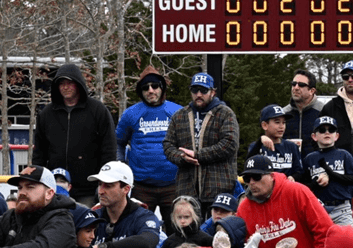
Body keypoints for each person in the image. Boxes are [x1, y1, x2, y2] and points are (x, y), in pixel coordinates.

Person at [235, 155, 333, 248]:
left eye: (256, 176)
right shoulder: (244, 208)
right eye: (247, 179)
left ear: (271, 176)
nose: (252, 183)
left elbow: (325, 231)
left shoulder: (296, 191)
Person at [32, 63, 117, 207]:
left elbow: (108, 150)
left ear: (79, 84)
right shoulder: (46, 114)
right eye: (62, 83)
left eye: (70, 83)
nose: (65, 87)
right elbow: (39, 152)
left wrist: (103, 183)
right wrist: (38, 182)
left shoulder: (98, 111)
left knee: (87, 226)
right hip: (55, 188)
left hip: (88, 189)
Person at [115, 66, 182, 232]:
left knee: (178, 231)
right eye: (145, 88)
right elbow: (118, 142)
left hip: (173, 185)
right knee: (139, 229)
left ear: (162, 87)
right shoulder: (131, 113)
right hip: (141, 186)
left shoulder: (177, 112)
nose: (150, 91)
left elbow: (188, 143)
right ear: (140, 91)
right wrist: (121, 167)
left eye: (155, 86)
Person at [163, 72, 240, 212]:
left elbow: (229, 144)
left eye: (203, 90)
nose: (199, 94)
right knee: (188, 231)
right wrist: (181, 157)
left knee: (218, 229)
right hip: (187, 188)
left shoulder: (225, 113)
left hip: (219, 186)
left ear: (213, 92)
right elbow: (168, 145)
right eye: (195, 90)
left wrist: (198, 155)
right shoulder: (179, 116)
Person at [302, 116, 353, 225]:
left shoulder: (344, 154)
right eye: (322, 130)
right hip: (318, 208)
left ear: (336, 136)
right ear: (314, 136)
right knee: (320, 242)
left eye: (331, 130)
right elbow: (303, 186)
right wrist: (316, 183)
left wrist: (331, 175)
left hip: (341, 209)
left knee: (348, 240)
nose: (327, 133)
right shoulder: (309, 158)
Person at [245, 104, 303, 180]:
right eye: (277, 122)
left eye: (284, 122)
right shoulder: (257, 146)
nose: (281, 126)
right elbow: (248, 168)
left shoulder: (292, 146)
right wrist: (259, 142)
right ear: (265, 125)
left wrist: (293, 177)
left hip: (285, 188)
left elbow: (299, 171)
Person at [284, 69, 324, 159]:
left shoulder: (324, 111)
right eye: (293, 84)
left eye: (301, 85)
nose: (296, 87)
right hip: (291, 169)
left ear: (312, 91)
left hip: (317, 167)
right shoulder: (283, 113)